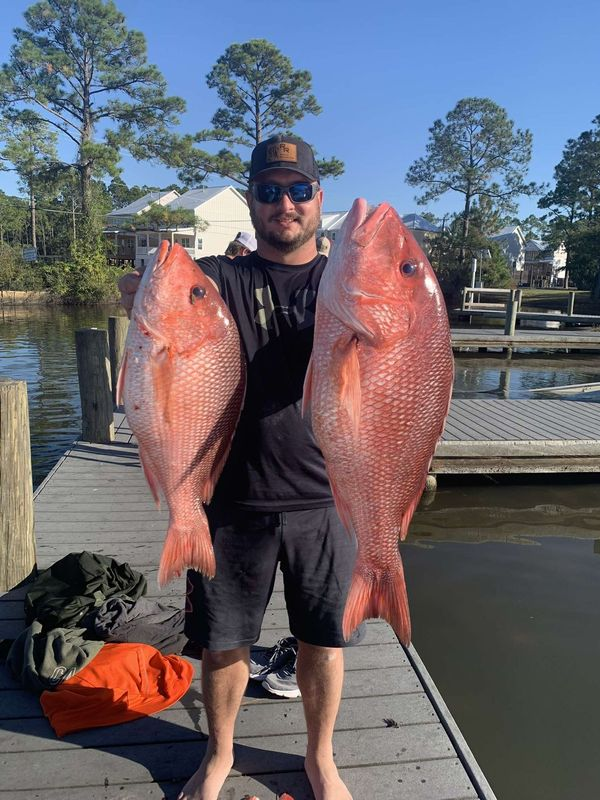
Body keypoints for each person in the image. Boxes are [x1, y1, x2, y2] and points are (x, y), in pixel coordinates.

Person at [119, 134, 355, 800]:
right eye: (269, 190)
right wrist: (139, 293)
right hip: (226, 499)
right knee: (223, 644)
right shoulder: (219, 280)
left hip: (325, 499)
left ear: (317, 198)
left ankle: (321, 758)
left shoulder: (343, 284)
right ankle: (219, 755)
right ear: (251, 199)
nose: (285, 203)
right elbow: (147, 293)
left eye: (298, 189)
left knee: (323, 640)